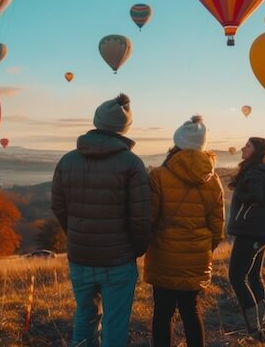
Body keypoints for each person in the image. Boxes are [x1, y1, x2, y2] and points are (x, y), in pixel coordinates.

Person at [51, 93, 151, 347]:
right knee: (115, 324)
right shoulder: (131, 163)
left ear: (96, 121)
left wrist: (74, 234)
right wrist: (136, 249)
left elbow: (59, 207)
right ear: (124, 128)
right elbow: (140, 217)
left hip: (80, 257)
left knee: (84, 316)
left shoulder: (67, 160)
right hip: (118, 260)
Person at [144, 115, 225, 347]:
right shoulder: (213, 180)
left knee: (163, 313)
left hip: (164, 254)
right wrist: (203, 247)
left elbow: (150, 218)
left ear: (176, 142)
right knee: (191, 310)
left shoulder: (159, 175)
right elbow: (217, 228)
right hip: (197, 256)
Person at [226, 137, 265, 336]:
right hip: (261, 231)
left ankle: (254, 329)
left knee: (236, 277)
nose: (243, 147)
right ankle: (259, 326)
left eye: (248, 146)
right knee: (253, 276)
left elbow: (257, 197)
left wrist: (240, 194)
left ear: (257, 151)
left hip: (250, 231)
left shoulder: (255, 172)